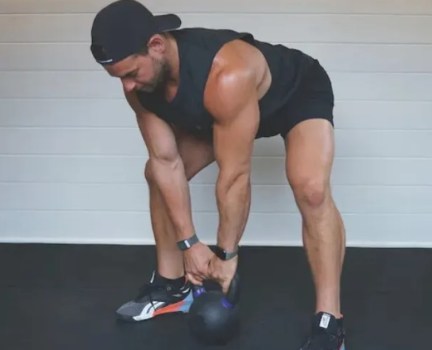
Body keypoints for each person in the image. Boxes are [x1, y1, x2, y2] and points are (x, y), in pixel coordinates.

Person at [90, 1, 346, 349]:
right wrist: (190, 245)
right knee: (155, 174)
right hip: (224, 115)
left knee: (312, 189)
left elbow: (235, 175)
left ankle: (329, 320)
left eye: (132, 73)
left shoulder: (227, 73)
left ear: (156, 46)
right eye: (119, 78)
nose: (128, 87)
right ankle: (172, 286)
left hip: (294, 95)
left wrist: (226, 257)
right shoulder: (141, 88)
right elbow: (166, 162)